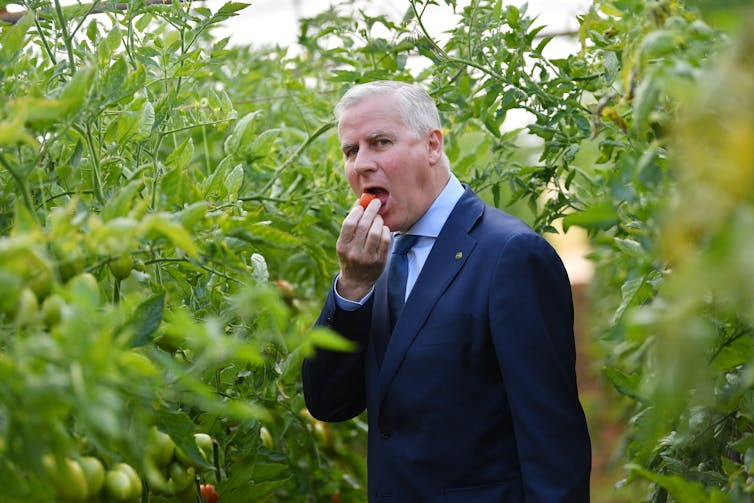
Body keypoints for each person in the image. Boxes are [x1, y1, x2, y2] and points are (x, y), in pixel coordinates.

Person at [302, 80, 591, 502]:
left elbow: (552, 442)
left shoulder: (510, 255)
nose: (362, 163)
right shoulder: (374, 260)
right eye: (351, 150)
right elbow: (329, 403)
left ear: (433, 145)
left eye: (380, 142)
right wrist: (352, 285)